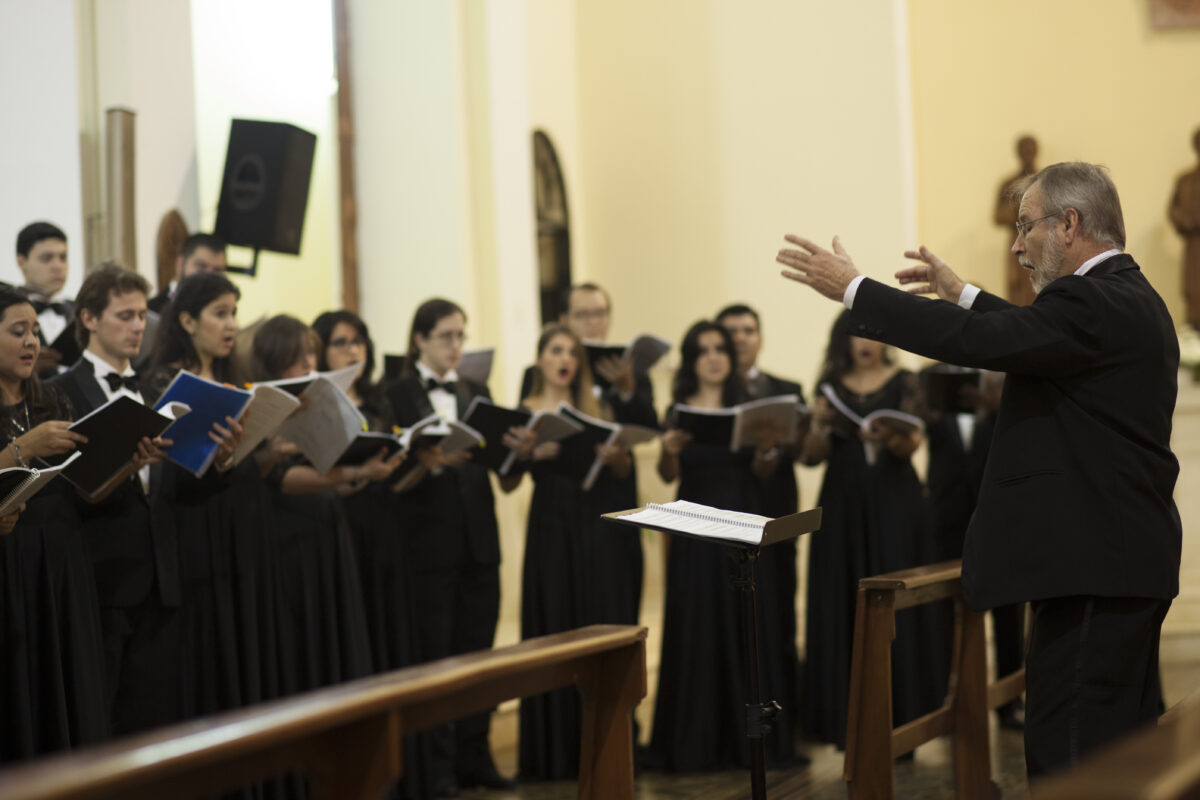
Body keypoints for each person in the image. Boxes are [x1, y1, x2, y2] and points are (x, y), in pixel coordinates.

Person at [776, 161, 1181, 777]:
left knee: (1071, 757)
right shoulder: (1126, 296)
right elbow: (1030, 335)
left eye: (1027, 225)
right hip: (1116, 560)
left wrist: (855, 290)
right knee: (1112, 752)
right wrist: (962, 294)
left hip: (1094, 565)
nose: (1016, 244)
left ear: (1069, 224)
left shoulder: (1092, 299)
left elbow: (988, 342)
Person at [142, 272, 284, 723]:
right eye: (220, 314)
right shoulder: (161, 382)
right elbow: (170, 474)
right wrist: (221, 458)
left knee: (250, 646)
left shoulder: (238, 379)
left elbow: (250, 463)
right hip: (196, 528)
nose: (231, 325)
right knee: (210, 652)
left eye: (234, 313)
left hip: (245, 525)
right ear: (186, 320)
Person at [501, 323, 641, 781]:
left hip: (594, 525)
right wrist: (526, 455)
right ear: (540, 358)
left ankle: (602, 744)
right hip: (551, 525)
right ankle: (553, 752)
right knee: (554, 621)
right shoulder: (522, 411)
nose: (565, 359)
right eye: (556, 350)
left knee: (593, 620)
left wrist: (615, 456)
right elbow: (505, 481)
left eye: (572, 353)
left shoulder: (597, 407)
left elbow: (623, 471)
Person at [796, 312, 940, 749]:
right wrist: (820, 425)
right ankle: (845, 722)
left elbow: (912, 442)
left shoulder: (905, 380)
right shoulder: (828, 387)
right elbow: (810, 456)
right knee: (843, 598)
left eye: (873, 333)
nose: (865, 342)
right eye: (856, 333)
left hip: (895, 503)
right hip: (843, 505)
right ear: (842, 339)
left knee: (896, 598)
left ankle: (904, 718)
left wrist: (888, 436)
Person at [385, 298, 511, 795]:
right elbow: (389, 473)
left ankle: (474, 758)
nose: (456, 346)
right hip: (427, 547)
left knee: (479, 658)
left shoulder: (475, 390)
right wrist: (425, 465)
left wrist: (514, 449)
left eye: (461, 335)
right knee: (437, 660)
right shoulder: (396, 392)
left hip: (479, 542)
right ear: (420, 339)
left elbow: (496, 463)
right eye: (446, 336)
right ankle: (436, 770)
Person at [48, 264, 180, 736]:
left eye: (143, 315)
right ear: (88, 318)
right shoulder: (58, 392)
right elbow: (63, 492)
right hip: (101, 576)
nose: (138, 326)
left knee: (157, 723)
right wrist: (127, 464)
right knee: (102, 721)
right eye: (125, 316)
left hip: (161, 576)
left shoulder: (156, 387)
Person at [648, 320, 785, 771]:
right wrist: (667, 448)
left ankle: (743, 740)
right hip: (693, 531)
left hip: (740, 523)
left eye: (720, 348)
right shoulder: (678, 409)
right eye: (703, 350)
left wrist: (766, 449)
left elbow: (763, 472)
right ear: (692, 360)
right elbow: (669, 474)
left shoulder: (748, 406)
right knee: (697, 624)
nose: (713, 356)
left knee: (742, 623)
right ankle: (696, 741)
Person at [313, 308, 436, 800]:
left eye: (359, 340)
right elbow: (318, 486)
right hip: (340, 531)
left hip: (386, 531)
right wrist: (361, 477)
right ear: (322, 351)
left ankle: (399, 768)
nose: (353, 350)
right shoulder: (318, 408)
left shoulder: (381, 402)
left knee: (391, 642)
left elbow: (396, 483)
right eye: (341, 342)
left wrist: (421, 464)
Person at [250, 315, 394, 697]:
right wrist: (355, 471)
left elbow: (330, 469)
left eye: (311, 353)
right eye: (298, 356)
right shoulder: (265, 404)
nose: (308, 364)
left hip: (328, 529)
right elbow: (280, 477)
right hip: (292, 542)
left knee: (339, 648)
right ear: (275, 360)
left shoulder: (317, 397)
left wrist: (362, 472)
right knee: (305, 652)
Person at [0, 285, 105, 761]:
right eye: (17, 331)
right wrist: (25, 449)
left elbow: (85, 488)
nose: (31, 343)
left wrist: (124, 462)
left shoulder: (53, 400)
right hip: (10, 563)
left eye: (36, 332)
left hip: (61, 564)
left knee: (68, 691)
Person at [716, 302, 808, 758]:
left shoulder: (787, 390)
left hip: (777, 519)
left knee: (780, 619)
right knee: (735, 626)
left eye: (748, 330)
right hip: (731, 521)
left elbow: (804, 449)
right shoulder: (715, 393)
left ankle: (783, 733)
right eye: (730, 331)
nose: (740, 338)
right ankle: (736, 732)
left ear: (760, 337)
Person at [921, 367, 1025, 729]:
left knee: (1009, 612)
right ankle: (953, 705)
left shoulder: (1000, 374)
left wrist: (994, 406)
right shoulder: (928, 379)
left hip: (997, 511)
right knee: (946, 612)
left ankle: (1010, 702)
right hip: (946, 513)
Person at [520, 282, 658, 428]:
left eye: (600, 313)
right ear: (564, 320)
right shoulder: (542, 373)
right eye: (582, 314)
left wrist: (627, 389)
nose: (593, 322)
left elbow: (649, 426)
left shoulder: (631, 369)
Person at [14, 221, 73, 376]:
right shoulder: (5, 313)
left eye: (63, 257)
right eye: (46, 258)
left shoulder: (81, 311)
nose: (58, 266)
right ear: (22, 262)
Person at [146, 233, 227, 315]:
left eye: (217, 270)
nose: (208, 276)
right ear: (180, 264)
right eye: (201, 267)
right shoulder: (151, 312)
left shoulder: (225, 312)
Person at [1169, 127, 1200, 329]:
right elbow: (1173, 209)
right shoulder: (1185, 180)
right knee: (1193, 294)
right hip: (1193, 249)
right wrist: (1185, 220)